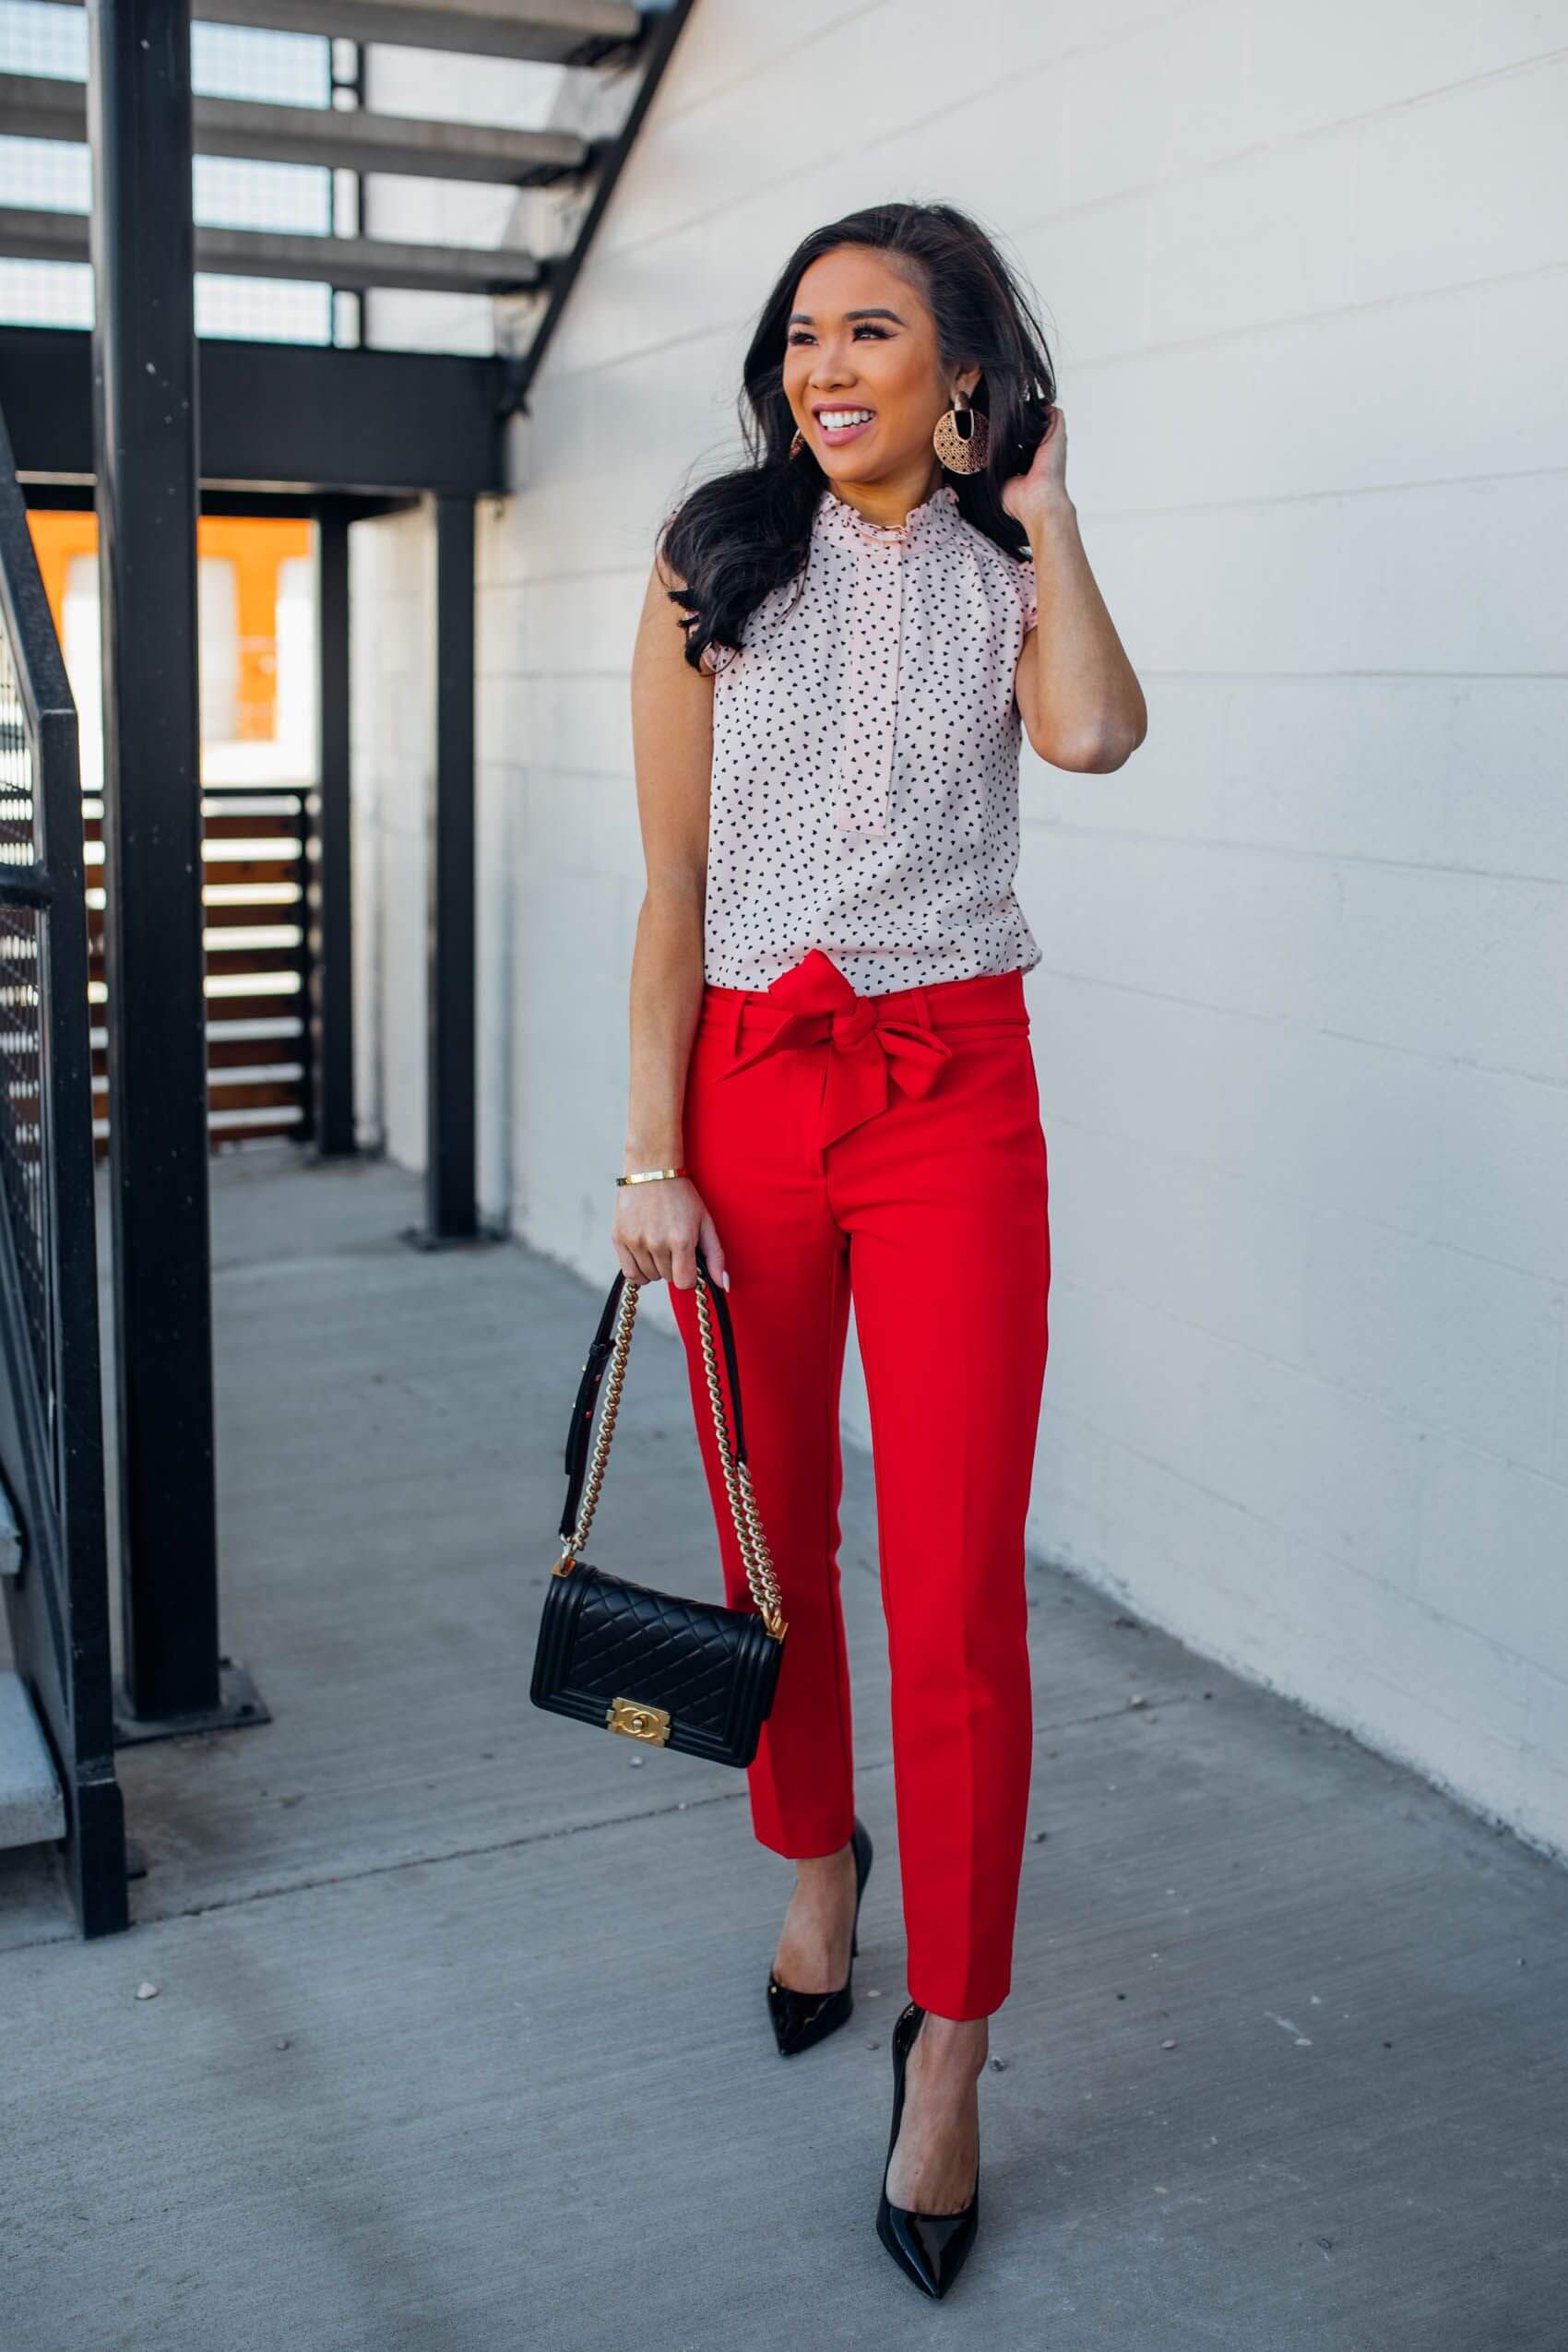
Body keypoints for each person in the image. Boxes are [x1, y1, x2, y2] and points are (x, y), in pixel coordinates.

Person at [614, 199, 1146, 2299]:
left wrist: (1054, 513)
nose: (828, 368)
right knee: (772, 1549)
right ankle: (812, 1856)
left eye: (875, 333)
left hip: (953, 1097)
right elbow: (669, 882)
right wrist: (650, 1149)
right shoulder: (713, 555)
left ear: (962, 369)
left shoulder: (1014, 570)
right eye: (803, 336)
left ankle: (955, 2041)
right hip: (745, 1090)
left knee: (955, 1590)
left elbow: (1094, 737)